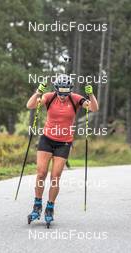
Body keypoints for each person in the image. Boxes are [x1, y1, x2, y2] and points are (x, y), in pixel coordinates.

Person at [26, 74, 98, 225]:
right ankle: (37, 205)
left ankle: (50, 207)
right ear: (56, 89)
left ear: (70, 91)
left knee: (55, 176)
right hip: (47, 139)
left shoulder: (76, 98)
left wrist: (90, 94)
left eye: (66, 93)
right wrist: (38, 91)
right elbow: (30, 105)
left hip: (64, 143)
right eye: (60, 93)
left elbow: (93, 108)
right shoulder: (49, 96)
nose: (63, 96)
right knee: (41, 174)